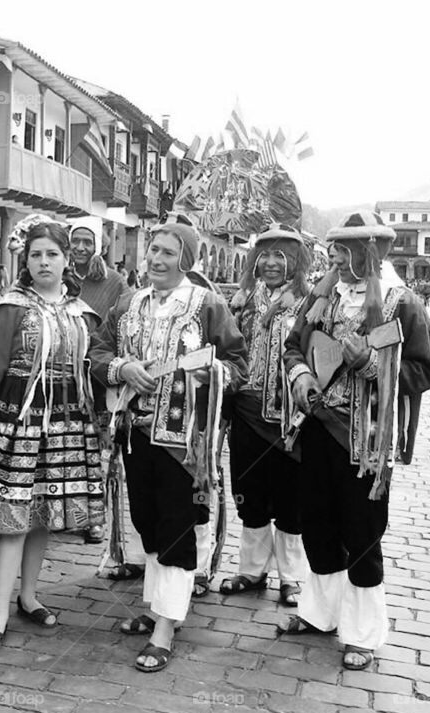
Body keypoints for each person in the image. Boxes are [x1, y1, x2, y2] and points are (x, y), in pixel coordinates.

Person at [89, 220, 248, 673]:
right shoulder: (129, 303)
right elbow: (98, 353)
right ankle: (159, 607)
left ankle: (165, 628)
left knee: (177, 526)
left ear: (187, 259)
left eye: (167, 253)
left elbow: (237, 364)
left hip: (186, 442)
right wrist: (123, 368)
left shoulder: (207, 306)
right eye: (153, 250)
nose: (156, 260)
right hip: (137, 432)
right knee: (147, 520)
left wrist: (209, 376)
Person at [280, 211, 430, 671]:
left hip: (367, 442)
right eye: (334, 251)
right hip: (317, 428)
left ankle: (363, 633)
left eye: (345, 252)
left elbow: (423, 371)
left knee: (363, 532)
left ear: (370, 252)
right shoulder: (321, 298)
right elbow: (294, 346)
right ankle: (319, 613)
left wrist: (371, 362)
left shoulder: (400, 303)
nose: (336, 260)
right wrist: (303, 375)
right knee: (317, 521)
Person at [0, 219, 104, 654]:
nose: (44, 262)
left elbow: (93, 367)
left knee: (43, 516)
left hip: (67, 423)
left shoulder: (82, 313)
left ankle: (29, 596)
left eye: (52, 254)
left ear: (67, 259)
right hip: (19, 423)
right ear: (26, 260)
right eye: (36, 254)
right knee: (12, 520)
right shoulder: (11, 307)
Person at [221, 223, 311, 606]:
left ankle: (291, 577)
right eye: (266, 255)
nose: (272, 263)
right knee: (250, 491)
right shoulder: (241, 301)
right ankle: (251, 570)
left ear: (295, 261)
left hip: (291, 420)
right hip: (246, 412)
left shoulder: (311, 303)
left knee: (291, 498)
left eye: (281, 256)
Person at [67, 216, 131, 546]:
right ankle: (65, 510)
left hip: (98, 378)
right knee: (69, 444)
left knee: (101, 447)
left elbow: (126, 325)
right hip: (62, 377)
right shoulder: (59, 278)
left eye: (87, 242)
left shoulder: (116, 282)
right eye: (75, 240)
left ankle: (96, 516)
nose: (80, 247)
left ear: (99, 246)